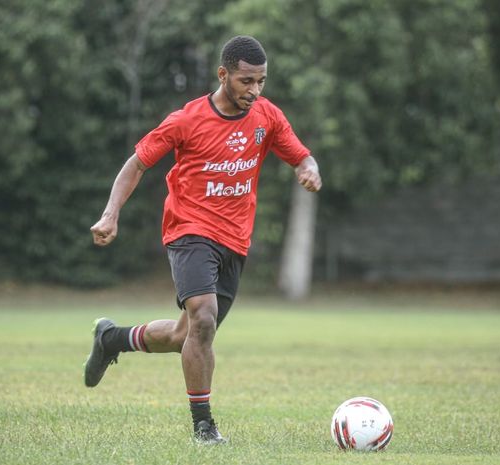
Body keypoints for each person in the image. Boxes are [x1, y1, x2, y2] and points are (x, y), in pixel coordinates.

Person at [83, 35, 322, 444]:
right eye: (247, 81)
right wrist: (110, 214)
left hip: (235, 241)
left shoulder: (267, 116)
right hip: (188, 230)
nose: (255, 90)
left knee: (186, 336)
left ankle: (112, 339)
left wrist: (309, 168)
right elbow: (136, 164)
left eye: (261, 81)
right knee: (204, 318)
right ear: (223, 74)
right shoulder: (186, 120)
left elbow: (301, 154)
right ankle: (204, 428)